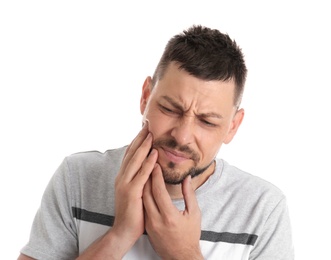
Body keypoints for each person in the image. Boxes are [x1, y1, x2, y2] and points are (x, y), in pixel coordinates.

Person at [18, 25, 294, 260]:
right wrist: (119, 235)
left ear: (232, 127)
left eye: (207, 122)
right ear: (145, 96)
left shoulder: (262, 208)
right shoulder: (77, 177)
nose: (182, 136)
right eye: (170, 109)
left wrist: (184, 253)